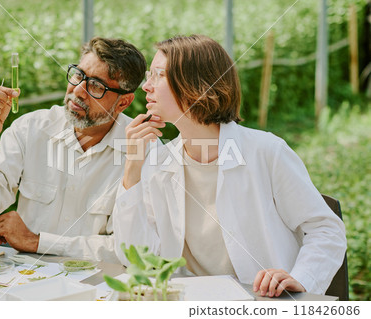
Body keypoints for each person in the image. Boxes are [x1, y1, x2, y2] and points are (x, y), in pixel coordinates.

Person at [113, 35, 347, 297]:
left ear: (195, 85)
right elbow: (134, 255)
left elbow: (326, 230)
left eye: (158, 75)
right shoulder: (159, 163)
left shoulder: (266, 152)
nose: (147, 86)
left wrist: (301, 279)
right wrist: (132, 167)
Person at [0, 37, 147, 263]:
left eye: (96, 86)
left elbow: (130, 249)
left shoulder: (142, 150)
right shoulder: (32, 128)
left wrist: (37, 242)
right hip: (26, 279)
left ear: (124, 102)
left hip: (98, 289)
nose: (79, 91)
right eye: (78, 75)